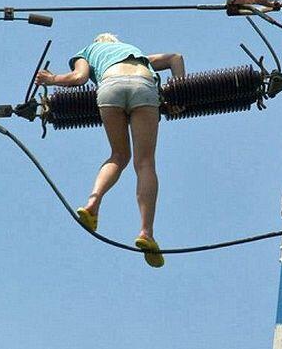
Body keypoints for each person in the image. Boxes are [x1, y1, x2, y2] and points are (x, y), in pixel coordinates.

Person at [35, 33, 184, 268]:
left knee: (118, 155)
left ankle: (92, 204)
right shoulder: (138, 54)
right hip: (144, 86)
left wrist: (51, 79)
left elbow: (79, 77)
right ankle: (146, 233)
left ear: (97, 43)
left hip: (110, 87)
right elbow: (176, 58)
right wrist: (179, 91)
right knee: (145, 163)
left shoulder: (88, 51)